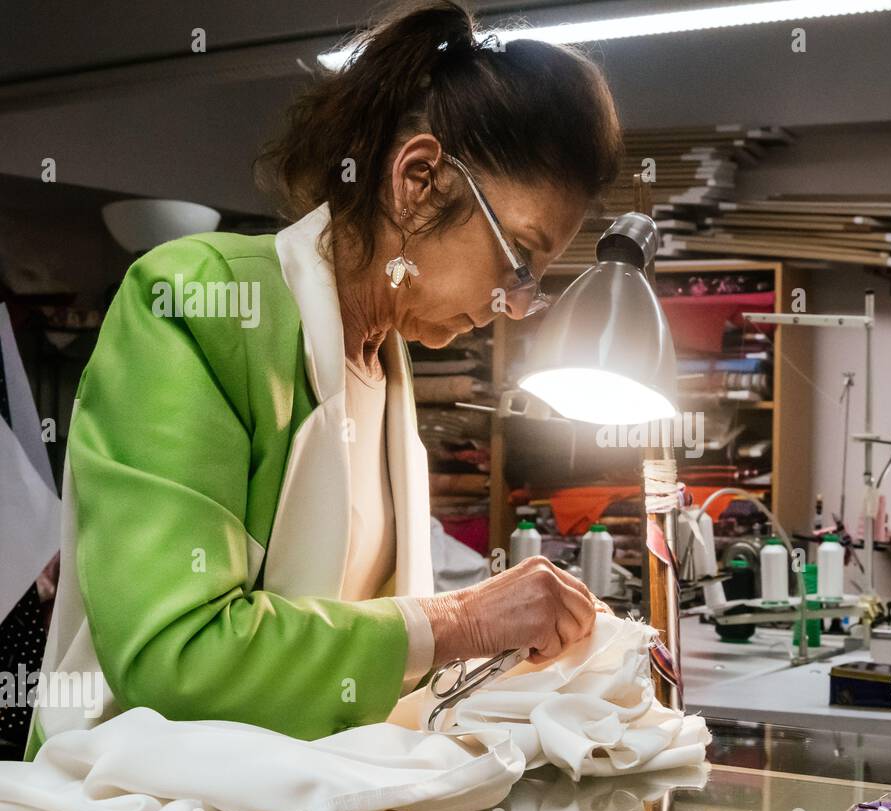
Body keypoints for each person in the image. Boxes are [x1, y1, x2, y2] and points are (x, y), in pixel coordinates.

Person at [26, 0, 624, 757]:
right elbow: (171, 657)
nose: (515, 305)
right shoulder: (191, 305)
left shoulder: (385, 362)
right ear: (417, 178)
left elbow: (359, 645)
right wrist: (463, 620)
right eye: (519, 259)